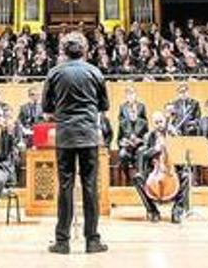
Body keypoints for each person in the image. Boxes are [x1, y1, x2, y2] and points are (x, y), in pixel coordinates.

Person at [41, 30, 109, 254]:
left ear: (63, 51)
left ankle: (62, 242)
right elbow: (104, 105)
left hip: (65, 136)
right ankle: (92, 240)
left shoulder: (54, 73)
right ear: (85, 50)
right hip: (89, 135)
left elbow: (46, 108)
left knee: (65, 188)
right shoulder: (95, 72)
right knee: (90, 188)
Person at [135, 112, 192, 223]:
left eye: (161, 122)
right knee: (137, 178)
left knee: (186, 176)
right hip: (155, 171)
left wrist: (174, 140)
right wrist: (155, 149)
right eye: (156, 123)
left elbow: (182, 153)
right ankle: (152, 210)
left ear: (165, 122)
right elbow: (144, 154)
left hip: (172, 170)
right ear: (153, 124)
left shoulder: (174, 133)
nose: (159, 124)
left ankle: (177, 210)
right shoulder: (149, 136)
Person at [116, 85, 148, 183]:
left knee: (141, 152)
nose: (130, 96)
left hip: (139, 143)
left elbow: (146, 131)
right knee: (122, 155)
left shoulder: (141, 108)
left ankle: (140, 178)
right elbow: (119, 137)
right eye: (128, 94)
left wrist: (140, 140)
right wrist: (124, 142)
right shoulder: (123, 108)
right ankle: (127, 178)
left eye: (132, 93)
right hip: (127, 143)